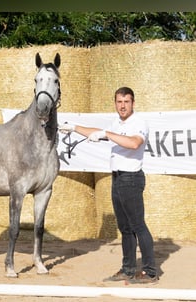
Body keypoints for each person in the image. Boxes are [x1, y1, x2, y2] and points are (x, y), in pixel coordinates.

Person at [59, 86, 158, 284]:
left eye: (126, 102)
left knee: (138, 226)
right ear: (115, 103)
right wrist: (74, 128)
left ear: (133, 103)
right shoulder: (116, 122)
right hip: (118, 178)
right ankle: (128, 269)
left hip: (131, 178)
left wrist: (107, 134)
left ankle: (150, 271)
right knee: (125, 228)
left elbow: (134, 143)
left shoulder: (138, 123)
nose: (122, 106)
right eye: (119, 102)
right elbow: (100, 132)